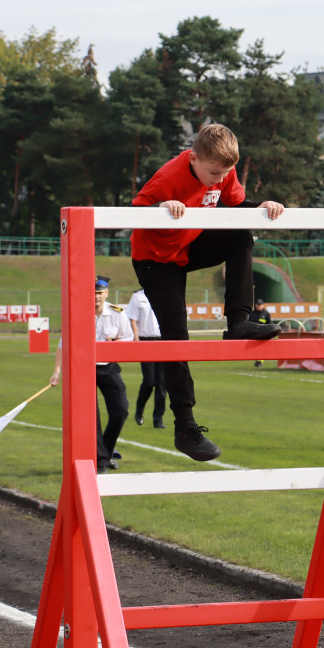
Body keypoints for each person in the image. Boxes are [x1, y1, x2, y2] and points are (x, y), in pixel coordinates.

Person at [130, 123, 283, 462]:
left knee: (241, 234)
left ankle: (239, 321)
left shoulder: (222, 172)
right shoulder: (169, 176)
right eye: (213, 172)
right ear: (194, 158)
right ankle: (185, 426)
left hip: (188, 245)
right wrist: (162, 208)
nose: (219, 179)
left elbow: (237, 206)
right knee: (176, 336)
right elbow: (135, 212)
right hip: (155, 259)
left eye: (226, 173)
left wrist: (264, 206)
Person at [50, 275, 133, 473]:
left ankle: (107, 450)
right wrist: (57, 371)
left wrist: (115, 345)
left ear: (106, 293)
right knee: (91, 417)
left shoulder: (117, 313)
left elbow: (128, 338)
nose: (96, 297)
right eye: (92, 293)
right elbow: (64, 343)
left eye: (99, 293)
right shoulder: (77, 313)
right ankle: (101, 461)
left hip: (108, 367)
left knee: (121, 410)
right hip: (83, 369)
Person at [126, 288, 167, 427]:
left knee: (162, 383)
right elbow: (132, 319)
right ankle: (139, 410)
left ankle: (158, 419)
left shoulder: (164, 293)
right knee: (149, 381)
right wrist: (136, 340)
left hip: (162, 341)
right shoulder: (138, 297)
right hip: (145, 341)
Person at [248, 298, 273, 367]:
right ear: (255, 305)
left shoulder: (266, 314)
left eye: (260, 305)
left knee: (262, 348)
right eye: (258, 305)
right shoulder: (252, 314)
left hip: (264, 334)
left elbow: (269, 324)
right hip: (254, 334)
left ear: (263, 305)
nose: (259, 306)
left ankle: (259, 361)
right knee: (255, 348)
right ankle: (257, 360)